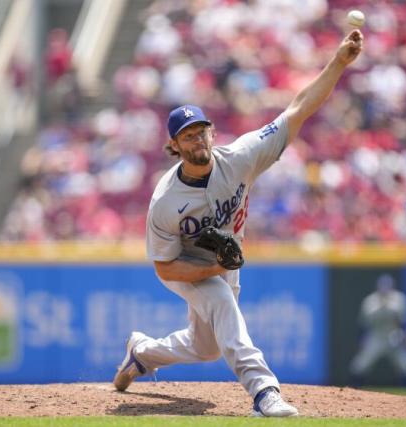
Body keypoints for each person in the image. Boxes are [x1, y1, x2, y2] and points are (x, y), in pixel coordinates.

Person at [113, 29, 364, 417]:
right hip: (183, 265)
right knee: (221, 300)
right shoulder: (165, 201)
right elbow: (164, 266)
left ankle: (141, 352)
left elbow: (297, 110)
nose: (197, 139)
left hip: (221, 262)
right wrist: (215, 267)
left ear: (211, 132)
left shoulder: (241, 157)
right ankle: (264, 392)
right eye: (187, 136)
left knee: (208, 347)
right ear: (174, 146)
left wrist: (339, 63)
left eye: (201, 131)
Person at [349, 274, 406, 389]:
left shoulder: (399, 299)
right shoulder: (370, 301)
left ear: (392, 287)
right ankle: (353, 391)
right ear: (378, 287)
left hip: (394, 336)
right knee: (360, 364)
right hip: (377, 337)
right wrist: (361, 339)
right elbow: (363, 324)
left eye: (387, 286)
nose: (385, 289)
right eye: (382, 286)